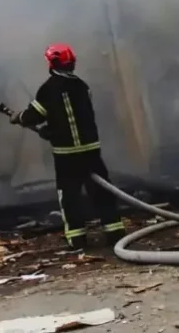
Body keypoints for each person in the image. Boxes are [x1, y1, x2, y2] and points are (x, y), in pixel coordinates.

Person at [8, 43, 126, 250]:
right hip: (90, 151)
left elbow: (34, 116)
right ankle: (115, 233)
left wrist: (20, 117)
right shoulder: (82, 86)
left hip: (67, 155)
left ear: (51, 63)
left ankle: (77, 240)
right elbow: (74, 118)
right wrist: (49, 130)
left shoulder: (48, 88)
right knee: (102, 194)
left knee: (70, 198)